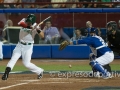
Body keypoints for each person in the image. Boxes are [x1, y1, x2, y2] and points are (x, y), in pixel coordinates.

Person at [2, 14, 44, 80]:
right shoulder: (24, 20)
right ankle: (6, 73)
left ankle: (40, 71)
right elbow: (20, 23)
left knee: (26, 64)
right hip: (19, 44)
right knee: (14, 58)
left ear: (33, 21)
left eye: (29, 22)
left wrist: (37, 30)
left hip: (28, 47)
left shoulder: (36, 26)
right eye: (28, 21)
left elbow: (42, 36)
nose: (27, 22)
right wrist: (29, 27)